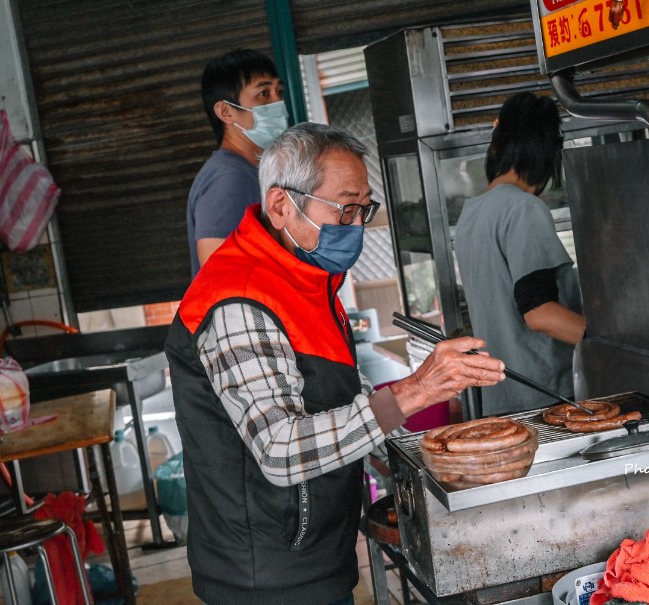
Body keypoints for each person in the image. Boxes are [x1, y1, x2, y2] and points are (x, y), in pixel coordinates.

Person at [166, 122, 506, 605]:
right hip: (265, 576)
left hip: (316, 552)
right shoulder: (237, 298)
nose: (356, 226)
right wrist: (415, 391)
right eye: (345, 208)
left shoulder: (309, 281)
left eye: (363, 209)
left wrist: (442, 462)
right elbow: (280, 449)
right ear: (282, 205)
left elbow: (350, 398)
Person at [456, 91, 586, 416]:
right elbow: (539, 313)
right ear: (547, 152)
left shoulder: (471, 214)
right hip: (545, 400)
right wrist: (609, 345)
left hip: (503, 400)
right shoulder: (523, 208)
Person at [187, 48, 288, 277]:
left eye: (279, 91)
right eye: (263, 94)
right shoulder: (229, 178)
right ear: (226, 111)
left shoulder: (250, 171)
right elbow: (220, 272)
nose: (278, 102)